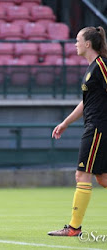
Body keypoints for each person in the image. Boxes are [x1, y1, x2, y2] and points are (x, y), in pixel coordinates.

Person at [48, 26, 107, 237]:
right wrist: (65, 122)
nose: (75, 44)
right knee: (102, 179)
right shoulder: (92, 67)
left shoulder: (102, 65)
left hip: (98, 128)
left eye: (77, 40)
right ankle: (74, 228)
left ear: (88, 44)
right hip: (93, 126)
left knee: (82, 174)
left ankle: (73, 228)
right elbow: (85, 103)